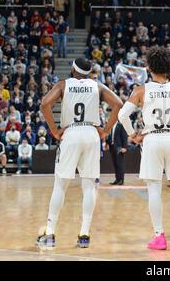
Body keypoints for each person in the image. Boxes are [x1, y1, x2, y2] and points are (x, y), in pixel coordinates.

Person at [118, 46, 170, 250]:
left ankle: (159, 236)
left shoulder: (141, 90)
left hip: (152, 139)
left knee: (154, 189)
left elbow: (122, 116)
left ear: (149, 66)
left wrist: (133, 135)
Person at [36, 58, 123, 249]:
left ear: (73, 71)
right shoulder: (97, 85)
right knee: (89, 186)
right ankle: (84, 234)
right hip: (91, 134)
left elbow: (44, 104)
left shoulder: (63, 85)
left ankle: (50, 233)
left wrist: (53, 129)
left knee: (60, 185)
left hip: (71, 132)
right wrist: (106, 130)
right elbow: (118, 103)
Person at [108, 121, 128, 185]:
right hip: (112, 147)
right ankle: (117, 179)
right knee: (115, 164)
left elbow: (124, 136)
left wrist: (125, 147)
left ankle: (121, 180)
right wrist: (107, 142)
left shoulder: (120, 125)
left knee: (120, 164)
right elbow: (110, 137)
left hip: (119, 147)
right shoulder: (111, 126)